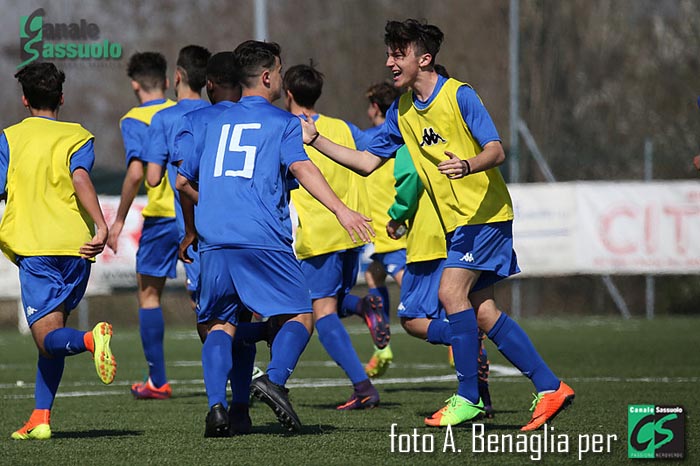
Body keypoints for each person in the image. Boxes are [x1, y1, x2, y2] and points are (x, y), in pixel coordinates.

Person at [299, 18, 574, 431]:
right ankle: (550, 386)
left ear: (424, 59)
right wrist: (316, 140)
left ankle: (468, 398)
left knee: (449, 293)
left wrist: (468, 164)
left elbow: (496, 150)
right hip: (458, 225)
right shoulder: (403, 110)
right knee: (482, 312)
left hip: (484, 214)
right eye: (389, 53)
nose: (390, 61)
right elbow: (366, 161)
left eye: (399, 53)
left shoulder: (459, 95)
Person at [176, 40, 374, 437]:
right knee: (301, 314)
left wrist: (194, 229)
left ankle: (218, 407)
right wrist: (341, 210)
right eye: (280, 72)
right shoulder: (282, 122)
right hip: (261, 235)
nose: (281, 80)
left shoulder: (208, 121)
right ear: (267, 77)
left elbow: (185, 181)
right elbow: (302, 168)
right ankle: (275, 381)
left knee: (219, 325)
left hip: (213, 238)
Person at [1, 62, 115, 440]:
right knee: (51, 339)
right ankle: (41, 417)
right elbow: (80, 176)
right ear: (61, 98)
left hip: (37, 249)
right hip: (76, 247)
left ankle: (90, 338)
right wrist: (102, 226)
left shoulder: (10, 139)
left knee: (47, 338)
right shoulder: (78, 135)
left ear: (24, 99)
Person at [283, 64, 385, 410]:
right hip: (350, 230)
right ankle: (363, 305)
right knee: (330, 299)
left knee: (320, 311)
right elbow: (372, 151)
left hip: (317, 231)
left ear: (289, 94)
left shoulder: (285, 129)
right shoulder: (343, 127)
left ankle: (362, 386)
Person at [387, 144, 494, 417]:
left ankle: (465, 342)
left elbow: (410, 181)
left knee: (411, 320)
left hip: (427, 241)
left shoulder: (409, 140)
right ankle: (482, 397)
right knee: (467, 309)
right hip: (460, 235)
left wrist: (397, 216)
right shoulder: (450, 138)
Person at [107, 52, 176, 400]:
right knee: (213, 298)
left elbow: (137, 171)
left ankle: (158, 382)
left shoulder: (133, 119)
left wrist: (118, 220)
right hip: (201, 212)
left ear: (135, 85)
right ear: (167, 81)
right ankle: (244, 374)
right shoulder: (185, 109)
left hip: (163, 217)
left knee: (149, 295)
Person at [360, 82, 406, 378]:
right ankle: (382, 346)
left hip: (390, 224)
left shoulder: (367, 140)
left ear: (376, 108)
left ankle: (455, 331)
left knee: (410, 283)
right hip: (400, 220)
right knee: (373, 275)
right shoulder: (404, 135)